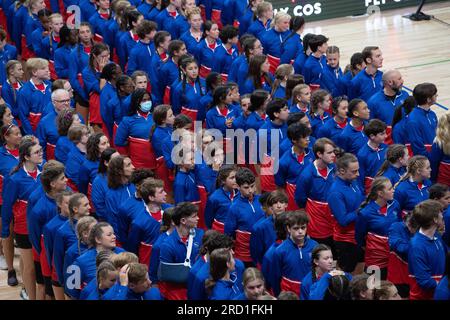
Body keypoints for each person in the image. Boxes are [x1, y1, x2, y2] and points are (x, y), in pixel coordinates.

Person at [1, 138, 43, 300]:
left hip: (41, 226)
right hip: (24, 228)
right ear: (26, 157)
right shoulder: (14, 179)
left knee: (31, 263)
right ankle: (29, 293)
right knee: (31, 267)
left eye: (40, 150)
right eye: (37, 152)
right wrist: (5, 230)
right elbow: (6, 207)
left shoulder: (44, 171)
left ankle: (26, 288)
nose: (41, 154)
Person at [28, 160, 68, 300]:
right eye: (62, 178)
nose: (66, 180)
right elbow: (34, 236)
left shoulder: (69, 194)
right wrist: (44, 256)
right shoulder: (38, 208)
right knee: (47, 290)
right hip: (46, 256)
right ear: (52, 184)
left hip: (66, 253)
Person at [355, 177, 401, 280]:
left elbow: (399, 225)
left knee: (388, 287)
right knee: (373, 288)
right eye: (390, 189)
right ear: (380, 193)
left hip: (393, 254)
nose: (393, 190)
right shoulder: (365, 213)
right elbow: (359, 237)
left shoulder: (395, 205)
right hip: (375, 258)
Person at [295, 138, 337, 248]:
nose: (333, 155)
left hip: (333, 220)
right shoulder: (306, 175)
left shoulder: (335, 168)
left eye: (333, 152)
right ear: (319, 154)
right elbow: (300, 200)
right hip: (317, 224)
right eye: (329, 153)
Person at [158, 202, 204, 300]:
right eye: (194, 216)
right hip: (178, 293)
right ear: (183, 220)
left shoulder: (201, 235)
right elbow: (167, 276)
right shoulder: (167, 245)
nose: (198, 219)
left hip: (198, 287)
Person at [327, 153, 364, 273]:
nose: (358, 174)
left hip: (358, 235)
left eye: (358, 170)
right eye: (354, 171)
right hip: (346, 240)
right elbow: (343, 220)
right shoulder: (336, 192)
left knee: (359, 268)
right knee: (345, 274)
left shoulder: (353, 181)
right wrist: (361, 211)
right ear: (342, 171)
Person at [69, 222, 125, 298]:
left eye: (113, 234)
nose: (114, 236)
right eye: (109, 235)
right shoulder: (81, 261)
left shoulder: (123, 254)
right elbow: (72, 287)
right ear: (98, 239)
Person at [271, 210, 318, 297]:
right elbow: (275, 278)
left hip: (310, 290)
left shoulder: (315, 246)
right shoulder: (280, 251)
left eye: (303, 228)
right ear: (288, 228)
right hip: (289, 294)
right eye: (296, 228)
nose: (300, 231)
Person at [224, 168, 265, 266]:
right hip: (244, 255)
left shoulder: (261, 201)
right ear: (238, 186)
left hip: (262, 251)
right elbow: (228, 234)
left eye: (252, 186)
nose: (250, 190)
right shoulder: (234, 208)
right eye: (246, 187)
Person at [408, 200, 446, 300]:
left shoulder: (437, 236)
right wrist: (446, 286)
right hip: (423, 297)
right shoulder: (416, 246)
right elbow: (425, 282)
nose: (442, 216)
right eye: (440, 213)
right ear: (435, 219)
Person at [53, 193, 91, 289]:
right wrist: (63, 282)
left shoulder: (94, 224)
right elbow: (58, 259)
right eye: (85, 205)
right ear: (75, 209)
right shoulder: (62, 231)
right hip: (74, 277)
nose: (90, 207)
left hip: (91, 274)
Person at [42, 190, 74, 300]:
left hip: (75, 270)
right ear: (59, 204)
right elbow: (50, 253)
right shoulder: (50, 227)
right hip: (58, 272)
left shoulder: (81, 222)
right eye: (67, 203)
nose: (71, 206)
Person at [114, 89, 156, 170]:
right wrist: (127, 161)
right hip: (137, 167)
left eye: (148, 99)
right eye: (144, 100)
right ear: (137, 102)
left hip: (157, 164)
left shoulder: (157, 117)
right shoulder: (127, 121)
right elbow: (119, 143)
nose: (147, 102)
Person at [0, 123, 21, 285]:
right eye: (15, 134)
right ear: (6, 137)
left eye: (19, 133)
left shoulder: (25, 150)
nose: (19, 136)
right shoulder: (0, 155)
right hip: (4, 201)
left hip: (23, 201)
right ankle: (11, 270)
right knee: (8, 235)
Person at [367, 70, 409, 144]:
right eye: (399, 79)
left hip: (405, 141)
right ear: (390, 82)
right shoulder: (373, 102)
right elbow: (370, 125)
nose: (402, 81)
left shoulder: (405, 95)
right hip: (387, 145)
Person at [250, 190, 288, 268]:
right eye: (275, 203)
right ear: (270, 207)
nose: (279, 206)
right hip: (269, 267)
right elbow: (256, 255)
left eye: (281, 202)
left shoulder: (294, 223)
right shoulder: (259, 228)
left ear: (286, 205)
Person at [62, 215, 97, 299]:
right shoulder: (72, 252)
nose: (99, 232)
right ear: (85, 234)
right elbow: (70, 282)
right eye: (95, 230)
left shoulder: (100, 246)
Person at [105, 155, 135, 245]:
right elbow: (114, 221)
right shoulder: (111, 195)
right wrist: (124, 241)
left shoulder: (134, 185)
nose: (133, 167)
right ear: (119, 171)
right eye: (128, 165)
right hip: (125, 239)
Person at [387, 212, 418, 299]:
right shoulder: (395, 227)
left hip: (416, 271)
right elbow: (399, 247)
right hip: (399, 272)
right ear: (407, 223)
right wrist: (419, 247)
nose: (414, 231)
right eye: (413, 228)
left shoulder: (423, 228)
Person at [17, 58, 51, 135]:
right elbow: (23, 117)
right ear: (34, 72)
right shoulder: (24, 91)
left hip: (50, 129)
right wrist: (31, 134)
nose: (47, 70)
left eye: (47, 68)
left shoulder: (50, 85)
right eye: (43, 68)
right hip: (36, 132)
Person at [406, 83, 438, 159]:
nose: (437, 96)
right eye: (435, 94)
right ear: (428, 99)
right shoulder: (413, 119)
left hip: (435, 156)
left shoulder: (432, 114)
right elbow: (417, 146)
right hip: (426, 160)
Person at [356, 119, 388, 194]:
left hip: (387, 186)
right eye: (382, 134)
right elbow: (360, 178)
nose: (386, 136)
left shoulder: (387, 148)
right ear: (372, 136)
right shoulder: (362, 155)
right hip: (372, 190)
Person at [204, 165, 238, 232]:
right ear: (223, 181)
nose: (235, 180)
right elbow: (208, 220)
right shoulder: (214, 198)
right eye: (232, 178)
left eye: (236, 177)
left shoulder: (240, 194)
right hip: (219, 234)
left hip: (235, 233)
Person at [91, 148, 119, 221]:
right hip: (110, 220)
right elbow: (99, 206)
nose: (120, 162)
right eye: (116, 161)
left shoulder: (124, 176)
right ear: (106, 163)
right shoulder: (98, 181)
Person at [65, 125, 90, 191]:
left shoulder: (91, 148)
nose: (89, 135)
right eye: (86, 134)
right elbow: (76, 180)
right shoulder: (72, 157)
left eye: (88, 132)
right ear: (78, 137)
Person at [431, 113, 450, 185]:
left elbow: (434, 162)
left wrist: (433, 180)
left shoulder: (439, 141)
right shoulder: (439, 141)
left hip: (444, 181)